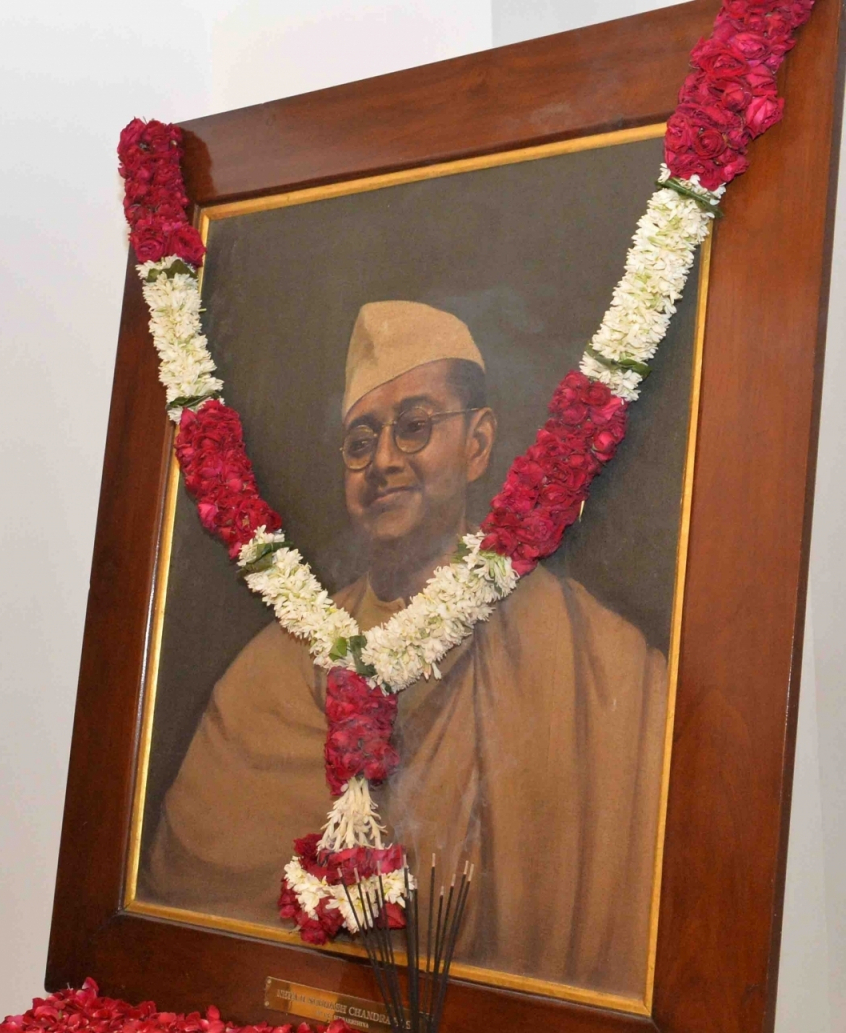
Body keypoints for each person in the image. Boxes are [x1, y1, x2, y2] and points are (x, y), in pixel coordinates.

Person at [144, 301, 667, 995]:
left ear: (478, 444)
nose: (383, 460)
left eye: (414, 427)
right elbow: (191, 914)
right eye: (360, 442)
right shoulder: (269, 676)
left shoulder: (591, 664)